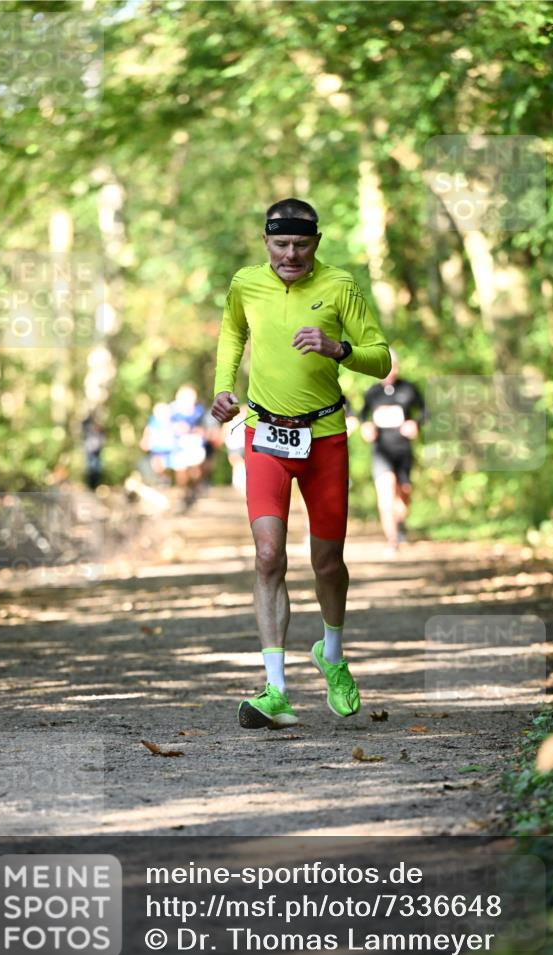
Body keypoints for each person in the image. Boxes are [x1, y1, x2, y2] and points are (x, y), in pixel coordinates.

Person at [211, 198, 391, 730]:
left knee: (328, 565)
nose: (291, 254)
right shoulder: (246, 283)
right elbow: (232, 334)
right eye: (281, 244)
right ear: (265, 241)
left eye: (302, 245)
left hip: (326, 437)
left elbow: (380, 357)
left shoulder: (341, 286)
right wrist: (223, 390)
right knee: (268, 556)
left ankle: (332, 654)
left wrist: (338, 349)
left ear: (317, 242)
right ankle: (275, 690)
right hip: (265, 435)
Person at [360, 349, 425, 553]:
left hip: (403, 449)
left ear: (397, 367)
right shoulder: (372, 392)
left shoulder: (408, 388)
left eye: (391, 367)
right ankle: (392, 540)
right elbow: (362, 416)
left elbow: (424, 410)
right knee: (386, 492)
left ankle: (400, 522)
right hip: (381, 450)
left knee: (404, 491)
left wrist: (416, 423)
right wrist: (366, 427)